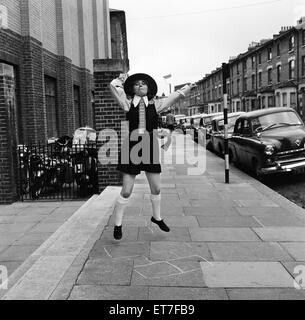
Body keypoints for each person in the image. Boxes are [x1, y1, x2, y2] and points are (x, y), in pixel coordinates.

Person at [110, 73, 196, 240]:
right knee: (127, 191)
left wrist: (187, 88)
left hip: (149, 146)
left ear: (148, 88)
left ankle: (156, 217)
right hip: (132, 147)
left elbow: (173, 96)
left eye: (143, 84)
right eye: (136, 84)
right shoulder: (127, 104)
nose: (140, 86)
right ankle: (118, 224)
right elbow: (114, 88)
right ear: (132, 88)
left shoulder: (155, 105)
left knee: (156, 188)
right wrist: (120, 80)